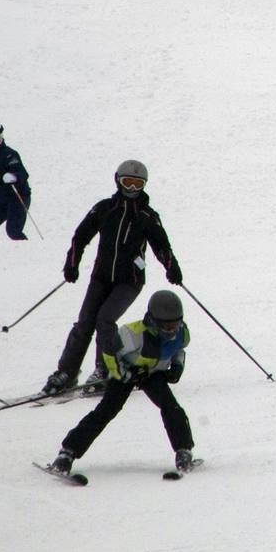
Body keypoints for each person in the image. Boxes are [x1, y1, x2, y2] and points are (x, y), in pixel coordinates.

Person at [45, 159, 183, 395]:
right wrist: (72, 264)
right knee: (85, 323)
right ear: (118, 181)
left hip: (130, 281)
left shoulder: (147, 216)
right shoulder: (105, 208)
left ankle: (104, 370)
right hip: (101, 277)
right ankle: (66, 373)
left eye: (137, 184)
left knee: (105, 320)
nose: (132, 189)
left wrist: (172, 267)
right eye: (127, 182)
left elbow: (162, 246)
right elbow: (81, 236)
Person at [44, 289, 195, 478]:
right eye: (166, 326)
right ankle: (67, 453)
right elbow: (109, 353)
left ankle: (184, 451)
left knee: (171, 408)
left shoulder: (182, 333)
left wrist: (177, 366)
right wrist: (125, 373)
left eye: (175, 324)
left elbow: (179, 350)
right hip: (126, 375)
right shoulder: (132, 333)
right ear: (153, 321)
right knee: (105, 412)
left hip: (151, 374)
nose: (172, 331)